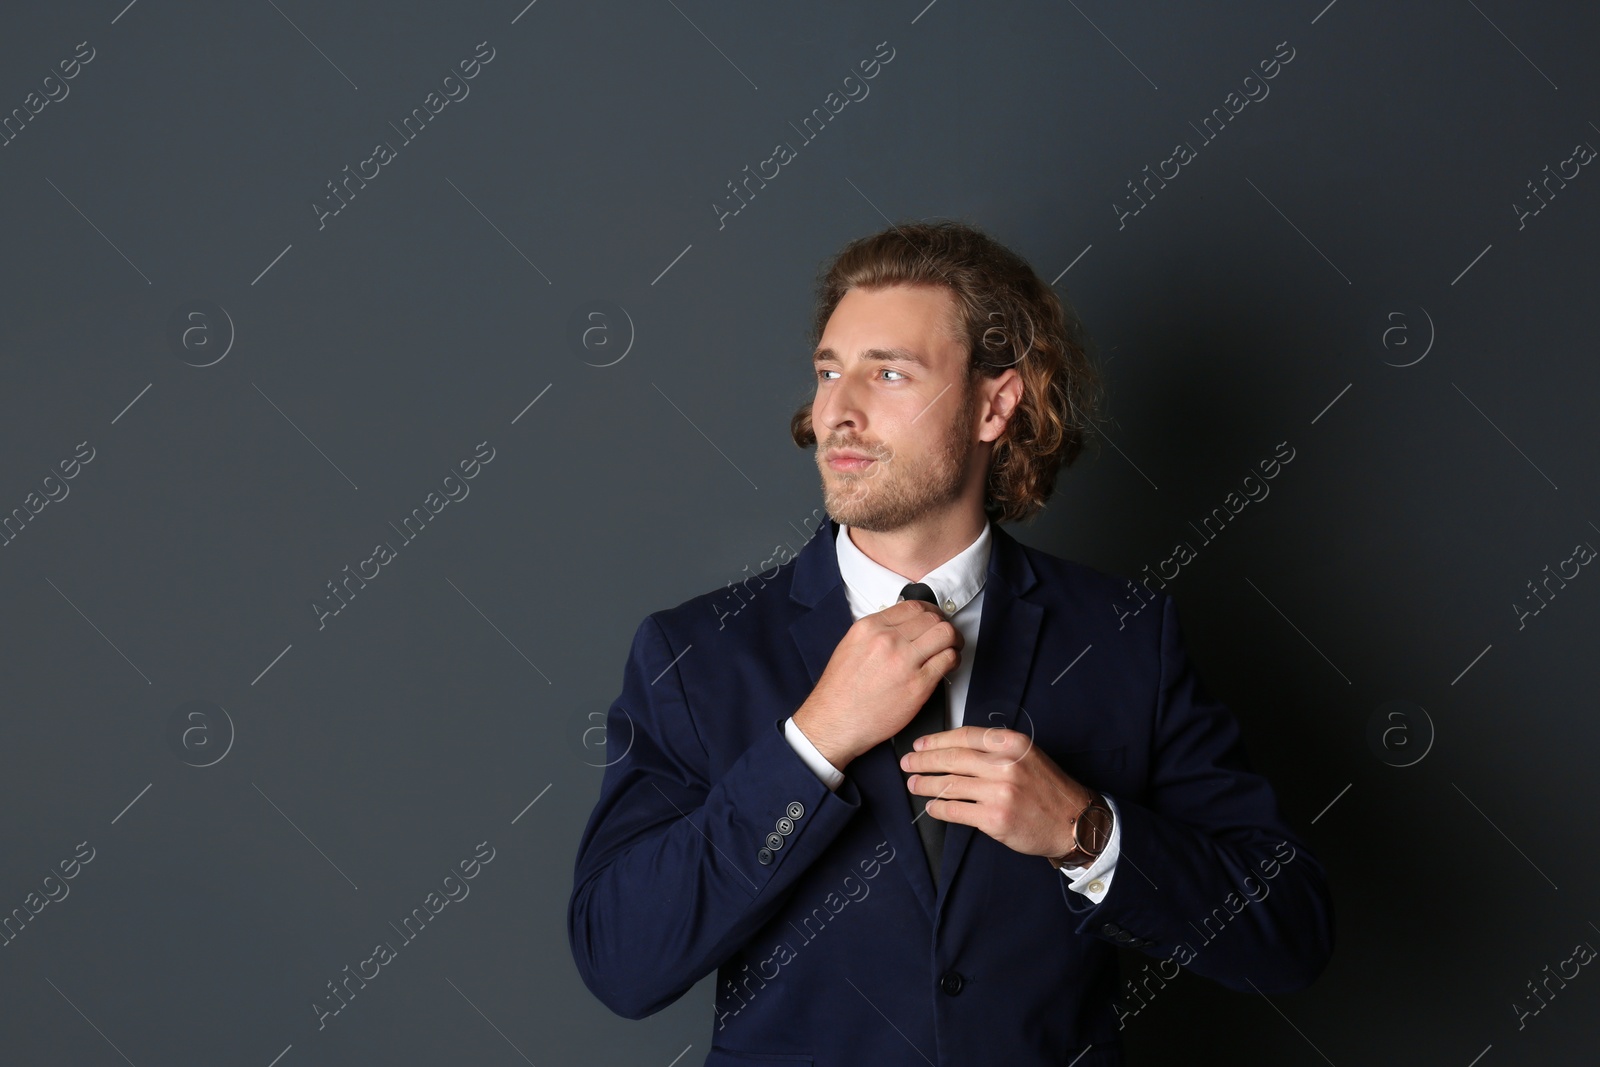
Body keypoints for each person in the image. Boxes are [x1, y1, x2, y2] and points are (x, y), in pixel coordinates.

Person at [567, 219, 1334, 1066]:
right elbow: (620, 960)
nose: (836, 412)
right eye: (828, 371)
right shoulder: (694, 654)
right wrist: (811, 742)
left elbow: (1287, 931)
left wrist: (1085, 831)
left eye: (887, 372)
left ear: (993, 404)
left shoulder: (1126, 638)